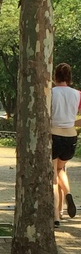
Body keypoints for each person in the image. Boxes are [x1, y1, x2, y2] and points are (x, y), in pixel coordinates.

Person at [51, 63, 81, 227]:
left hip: (54, 134)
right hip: (71, 136)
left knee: (53, 178)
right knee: (60, 169)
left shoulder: (51, 92)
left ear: (55, 76)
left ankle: (56, 216)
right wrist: (71, 122)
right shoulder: (77, 94)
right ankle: (68, 193)